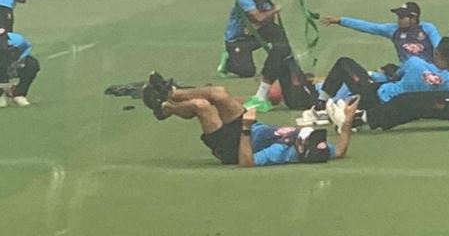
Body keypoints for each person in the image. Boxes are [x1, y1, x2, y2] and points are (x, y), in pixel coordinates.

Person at [141, 73, 358, 167]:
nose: (306, 131)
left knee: (201, 106)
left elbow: (247, 162)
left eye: (306, 136)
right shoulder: (320, 147)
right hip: (251, 126)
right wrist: (346, 123)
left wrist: (245, 129)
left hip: (233, 147)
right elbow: (339, 152)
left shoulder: (280, 152)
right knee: (218, 93)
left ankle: (164, 107)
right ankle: (172, 93)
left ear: (301, 148)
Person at [297, 38, 449, 126]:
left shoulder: (416, 62)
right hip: (403, 109)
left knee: (344, 63)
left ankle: (320, 107)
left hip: (377, 96)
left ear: (437, 52)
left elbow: (395, 77)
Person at [221, 0, 316, 112]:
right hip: (238, 39)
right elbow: (259, 17)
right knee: (247, 71)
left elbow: (265, 21)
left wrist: (262, 23)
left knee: (279, 38)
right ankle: (229, 61)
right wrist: (274, 11)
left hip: (255, 33)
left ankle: (287, 64)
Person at [320, 1, 441, 63]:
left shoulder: (428, 28)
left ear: (413, 19)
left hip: (429, 73)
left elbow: (440, 49)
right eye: (398, 16)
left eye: (402, 17)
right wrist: (341, 20)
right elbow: (368, 26)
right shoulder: (393, 30)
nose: (398, 19)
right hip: (407, 73)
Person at [0, 27, 39, 107]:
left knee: (31, 64)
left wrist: (19, 59)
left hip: (12, 64)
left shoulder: (18, 40)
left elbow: (26, 49)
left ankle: (18, 93)